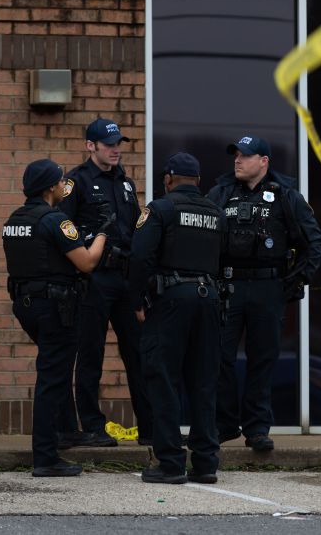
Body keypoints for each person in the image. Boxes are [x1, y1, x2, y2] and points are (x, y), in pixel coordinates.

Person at [207, 135, 321, 452]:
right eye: (235, 155)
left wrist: (294, 282)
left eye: (245, 156)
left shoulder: (286, 196)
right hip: (227, 287)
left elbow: (314, 244)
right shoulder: (220, 193)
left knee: (262, 360)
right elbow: (201, 239)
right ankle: (224, 425)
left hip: (267, 288)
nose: (237, 161)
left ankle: (257, 429)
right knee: (219, 357)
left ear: (264, 161)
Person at [2, 158, 112, 477]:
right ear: (51, 187)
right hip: (55, 307)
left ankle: (64, 433)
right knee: (52, 379)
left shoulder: (14, 219)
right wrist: (104, 232)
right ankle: (46, 457)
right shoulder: (56, 220)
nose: (66, 184)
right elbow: (87, 262)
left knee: (55, 372)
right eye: (62, 180)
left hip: (26, 305)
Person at [127, 152, 225, 484]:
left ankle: (169, 461)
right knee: (204, 381)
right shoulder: (216, 212)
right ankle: (206, 463)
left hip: (170, 301)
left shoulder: (161, 209)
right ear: (197, 181)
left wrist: (137, 299)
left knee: (163, 378)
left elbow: (140, 257)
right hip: (209, 300)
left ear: (168, 179)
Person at [57, 118, 153, 448]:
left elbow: (137, 230)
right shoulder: (76, 181)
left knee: (139, 353)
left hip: (125, 279)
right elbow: (63, 226)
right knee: (91, 355)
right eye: (109, 144)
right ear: (91, 146)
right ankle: (93, 426)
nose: (115, 149)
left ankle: (150, 426)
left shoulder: (125, 184)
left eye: (118, 144)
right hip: (94, 279)